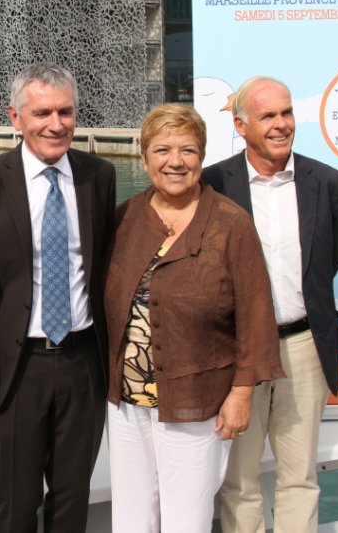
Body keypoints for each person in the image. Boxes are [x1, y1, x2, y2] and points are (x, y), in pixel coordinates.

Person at [104, 104, 283, 532]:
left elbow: (257, 313)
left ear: (202, 157)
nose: (175, 161)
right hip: (127, 402)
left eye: (188, 150)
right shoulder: (126, 217)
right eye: (162, 149)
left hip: (195, 399)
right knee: (130, 513)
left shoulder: (230, 224)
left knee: (187, 518)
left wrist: (241, 393)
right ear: (143, 157)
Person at [0, 62, 115, 532]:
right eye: (43, 112)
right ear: (15, 117)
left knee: (72, 498)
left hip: (82, 361)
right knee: (15, 499)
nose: (56, 124)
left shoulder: (99, 176)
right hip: (13, 369)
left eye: (66, 112)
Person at [203, 77, 338, 533]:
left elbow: (330, 257)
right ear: (241, 125)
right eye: (268, 116)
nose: (281, 124)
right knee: (238, 482)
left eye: (286, 113)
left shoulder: (328, 183)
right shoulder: (212, 185)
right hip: (236, 354)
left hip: (302, 346)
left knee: (299, 479)